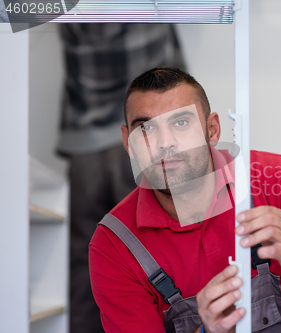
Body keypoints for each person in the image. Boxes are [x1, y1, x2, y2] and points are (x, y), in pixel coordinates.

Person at [89, 66, 281, 332]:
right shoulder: (115, 244)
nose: (164, 143)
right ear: (128, 142)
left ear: (212, 130)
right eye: (146, 128)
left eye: (180, 123)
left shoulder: (276, 179)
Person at [57, 24, 185, 333]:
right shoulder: (146, 9)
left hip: (85, 148)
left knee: (84, 263)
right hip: (144, 143)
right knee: (155, 254)